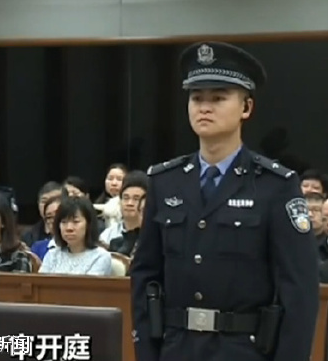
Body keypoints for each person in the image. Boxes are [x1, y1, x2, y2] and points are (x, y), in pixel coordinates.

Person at [130, 41, 319, 361]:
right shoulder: (165, 181)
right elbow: (145, 275)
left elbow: (299, 290)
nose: (204, 107)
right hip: (177, 349)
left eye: (218, 98)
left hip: (245, 350)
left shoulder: (275, 186)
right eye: (196, 98)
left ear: (246, 107)